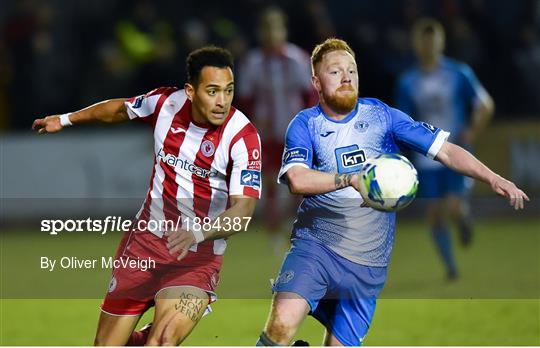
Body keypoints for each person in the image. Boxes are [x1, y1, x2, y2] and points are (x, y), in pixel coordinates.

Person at [256, 38, 527, 346]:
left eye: (352, 70)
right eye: (335, 71)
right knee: (281, 325)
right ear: (316, 82)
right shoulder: (306, 124)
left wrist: (493, 178)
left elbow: (447, 151)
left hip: (367, 266)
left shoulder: (383, 117)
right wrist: (352, 179)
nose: (346, 77)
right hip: (316, 249)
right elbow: (297, 179)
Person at [32, 46, 262, 346]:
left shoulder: (243, 137)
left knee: (163, 341)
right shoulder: (165, 103)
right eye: (213, 91)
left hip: (196, 257)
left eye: (229, 91)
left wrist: (197, 233)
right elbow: (119, 109)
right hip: (144, 246)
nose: (222, 101)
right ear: (191, 91)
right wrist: (65, 120)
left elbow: (242, 212)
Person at [395, 18, 495, 280]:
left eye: (432, 39)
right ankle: (451, 268)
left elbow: (485, 104)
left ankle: (462, 217)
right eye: (423, 40)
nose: (428, 45)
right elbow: (404, 120)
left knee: (451, 205)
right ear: (416, 44)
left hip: (454, 152)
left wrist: (472, 131)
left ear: (441, 42)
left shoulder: (459, 73)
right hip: (425, 157)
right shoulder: (407, 81)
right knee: (434, 214)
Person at [238, 6, 316, 242]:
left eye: (276, 27)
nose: (272, 33)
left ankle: (296, 224)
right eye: (267, 28)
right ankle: (273, 230)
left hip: (292, 130)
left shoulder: (297, 58)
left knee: (296, 179)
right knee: (269, 178)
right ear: (261, 31)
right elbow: (245, 98)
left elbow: (309, 94)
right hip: (266, 130)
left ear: (283, 29)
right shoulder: (252, 62)